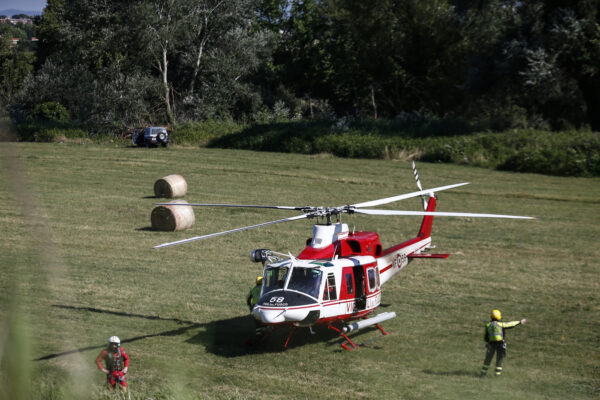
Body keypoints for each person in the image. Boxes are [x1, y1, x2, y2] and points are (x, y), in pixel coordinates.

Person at [480, 309, 526, 377]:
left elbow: (486, 337)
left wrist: (488, 342)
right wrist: (519, 322)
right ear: (499, 316)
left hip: (491, 344)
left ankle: (483, 374)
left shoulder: (488, 325)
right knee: (499, 360)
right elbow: (510, 324)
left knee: (487, 359)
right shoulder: (501, 324)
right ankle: (497, 375)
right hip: (500, 344)